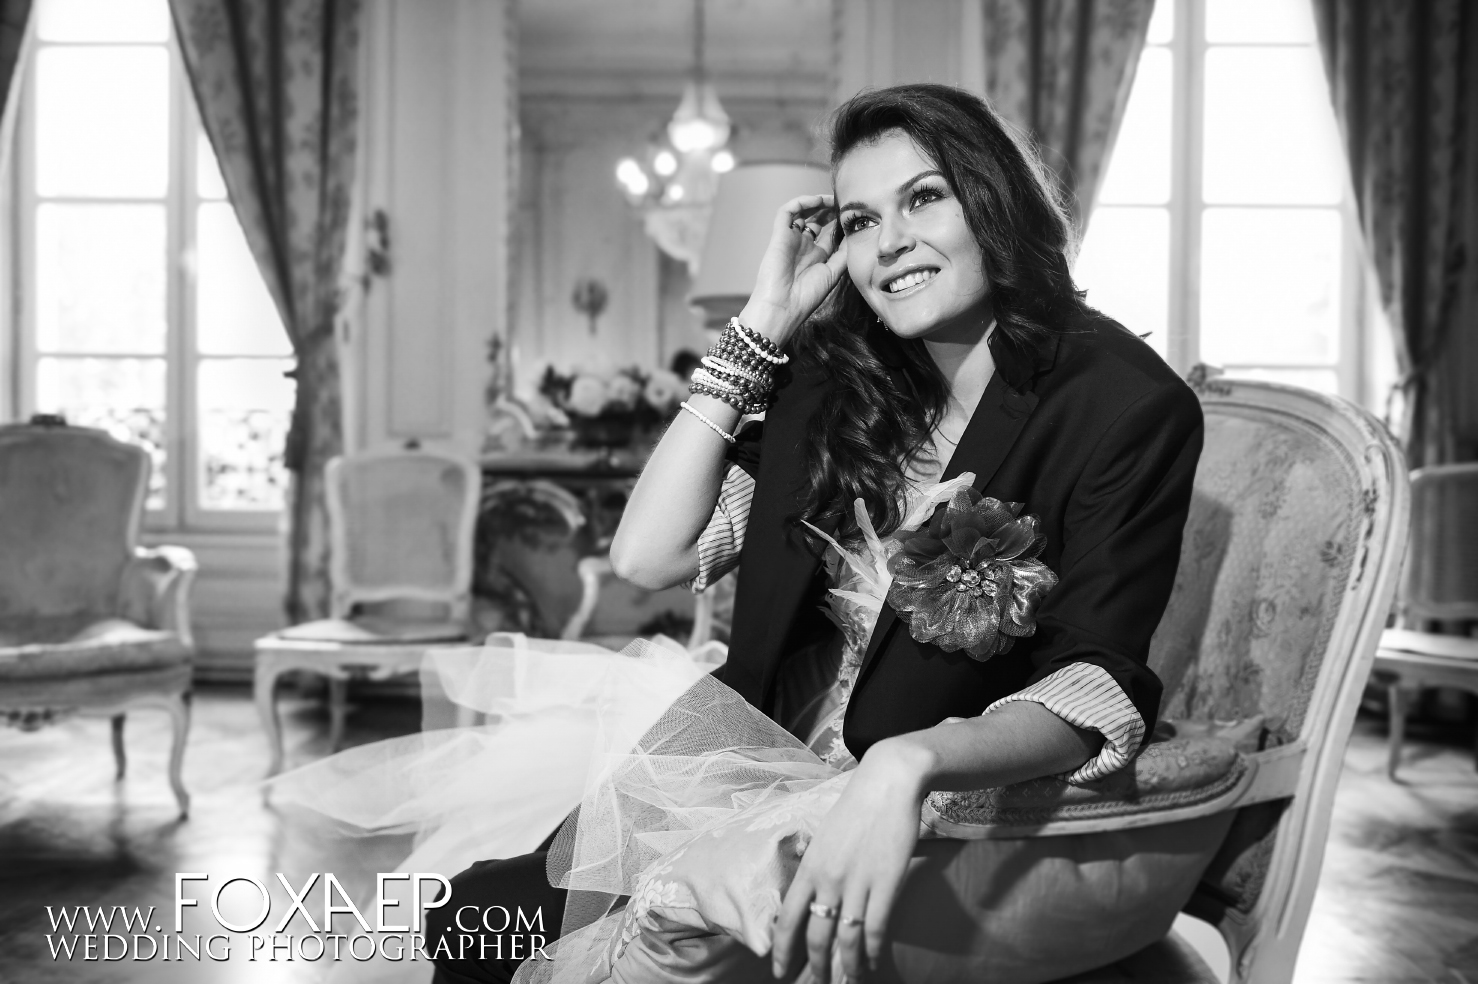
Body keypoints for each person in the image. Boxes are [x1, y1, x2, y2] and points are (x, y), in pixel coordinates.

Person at [361, 82, 1202, 984]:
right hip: (742, 751)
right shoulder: (840, 380)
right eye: (860, 220)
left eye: (924, 198)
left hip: (912, 797)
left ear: (994, 199)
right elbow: (647, 555)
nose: (889, 243)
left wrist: (907, 765)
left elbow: (1094, 677)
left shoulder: (1123, 405)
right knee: (477, 922)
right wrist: (763, 323)